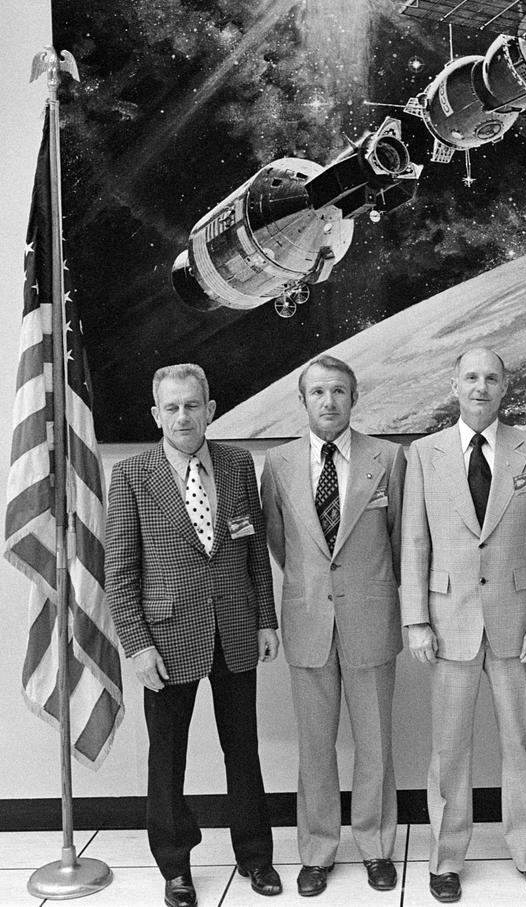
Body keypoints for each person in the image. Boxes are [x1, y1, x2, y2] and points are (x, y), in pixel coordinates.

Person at [106, 363, 282, 906]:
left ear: (210, 409)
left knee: (243, 749)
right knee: (167, 757)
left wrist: (265, 620)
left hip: (235, 629)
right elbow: (120, 570)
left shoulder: (236, 464)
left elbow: (253, 551)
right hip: (165, 638)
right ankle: (175, 868)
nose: (183, 417)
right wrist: (136, 644)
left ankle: (255, 857)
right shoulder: (133, 475)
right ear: (156, 414)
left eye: (192, 406)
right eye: (171, 407)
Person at [400, 347, 526, 903]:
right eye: (471, 377)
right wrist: (416, 620)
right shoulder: (424, 454)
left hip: (517, 623)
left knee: (520, 742)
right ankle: (445, 859)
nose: (481, 387)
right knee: (449, 748)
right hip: (448, 623)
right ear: (454, 384)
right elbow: (414, 542)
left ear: (504, 386)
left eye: (492, 378)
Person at [261, 355, 406, 897]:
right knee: (314, 747)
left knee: (376, 744)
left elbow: (399, 540)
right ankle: (318, 850)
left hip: (371, 617)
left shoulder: (388, 458)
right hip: (308, 621)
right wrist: (311, 585)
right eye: (318, 392)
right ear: (302, 400)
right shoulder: (276, 463)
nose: (329, 401)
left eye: (339, 391)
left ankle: (375, 847)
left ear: (354, 397)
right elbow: (280, 543)